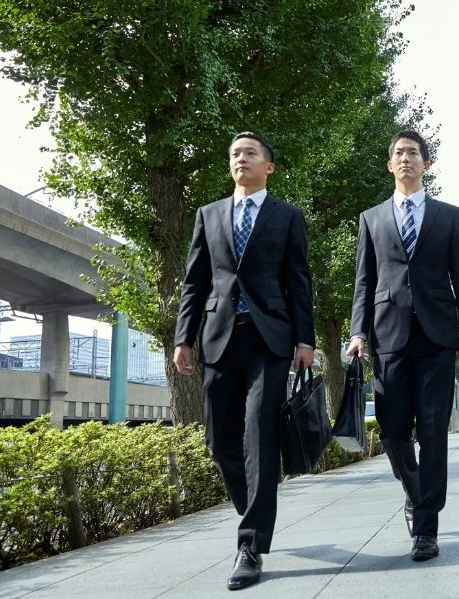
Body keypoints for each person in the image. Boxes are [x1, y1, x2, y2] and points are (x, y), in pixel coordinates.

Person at [173, 132, 315, 590]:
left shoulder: (287, 215)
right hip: (217, 338)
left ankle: (250, 545)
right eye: (234, 154)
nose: (240, 159)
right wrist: (183, 338)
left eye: (250, 154)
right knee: (220, 443)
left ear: (268, 166)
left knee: (258, 433)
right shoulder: (208, 214)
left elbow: (299, 281)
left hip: (269, 339)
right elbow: (195, 281)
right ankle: (254, 502)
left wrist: (305, 339)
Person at [346, 130, 459, 561]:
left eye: (414, 153)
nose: (406, 159)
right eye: (399, 153)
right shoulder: (371, 218)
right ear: (390, 164)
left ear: (426, 165)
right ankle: (417, 488)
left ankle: (426, 527)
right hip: (387, 336)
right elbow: (365, 280)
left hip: (438, 335)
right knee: (394, 429)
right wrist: (357, 332)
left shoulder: (448, 215)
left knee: (434, 429)